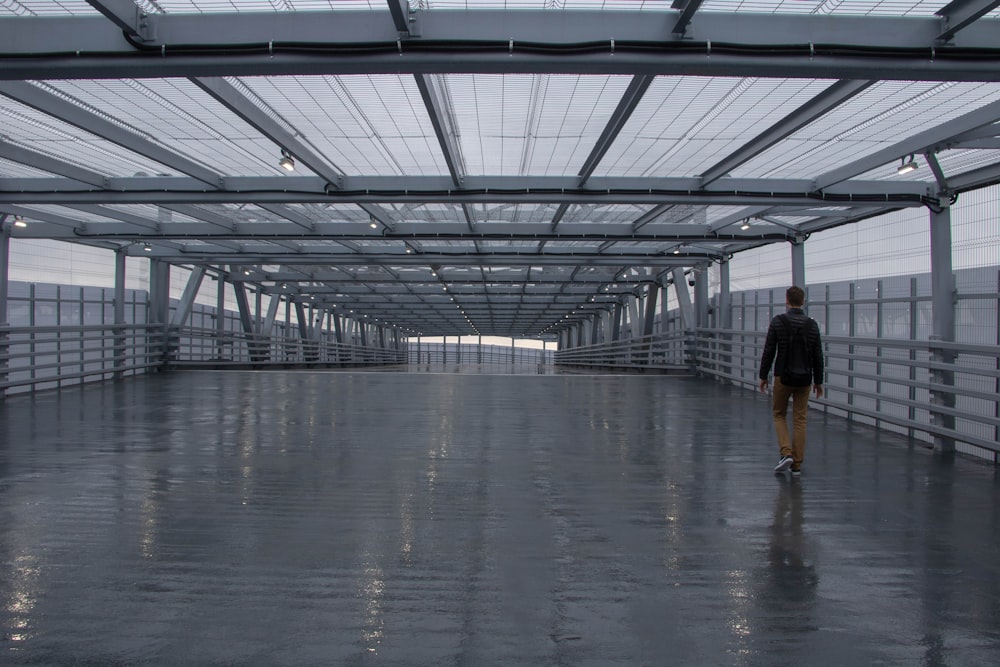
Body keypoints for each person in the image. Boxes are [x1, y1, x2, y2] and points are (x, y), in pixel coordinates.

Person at [759, 286, 824, 476]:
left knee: (779, 414)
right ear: (803, 301)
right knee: (800, 419)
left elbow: (769, 351)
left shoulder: (778, 322)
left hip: (783, 377)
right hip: (805, 378)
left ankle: (785, 452)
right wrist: (818, 381)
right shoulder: (812, 325)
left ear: (787, 300)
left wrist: (763, 376)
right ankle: (797, 464)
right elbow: (817, 355)